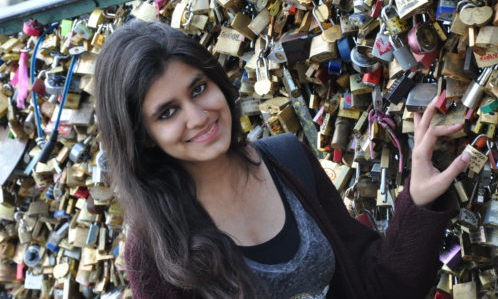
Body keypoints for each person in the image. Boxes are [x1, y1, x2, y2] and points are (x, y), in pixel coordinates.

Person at [94, 20, 472, 299]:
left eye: (199, 88)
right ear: (142, 136)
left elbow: (376, 286)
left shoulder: (288, 160)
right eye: (167, 112)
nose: (198, 116)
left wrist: (417, 200)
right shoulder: (155, 248)